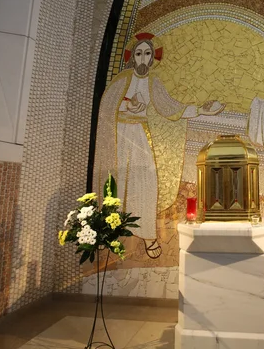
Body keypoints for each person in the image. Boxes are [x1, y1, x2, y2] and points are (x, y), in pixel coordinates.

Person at [93, 33, 224, 258]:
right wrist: (125, 108)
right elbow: (106, 106)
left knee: (145, 182)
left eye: (147, 54)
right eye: (139, 54)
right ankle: (107, 231)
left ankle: (147, 235)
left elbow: (169, 107)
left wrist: (201, 110)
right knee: (114, 182)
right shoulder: (122, 79)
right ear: (132, 57)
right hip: (117, 138)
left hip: (140, 134)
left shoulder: (153, 82)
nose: (143, 59)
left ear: (153, 58)